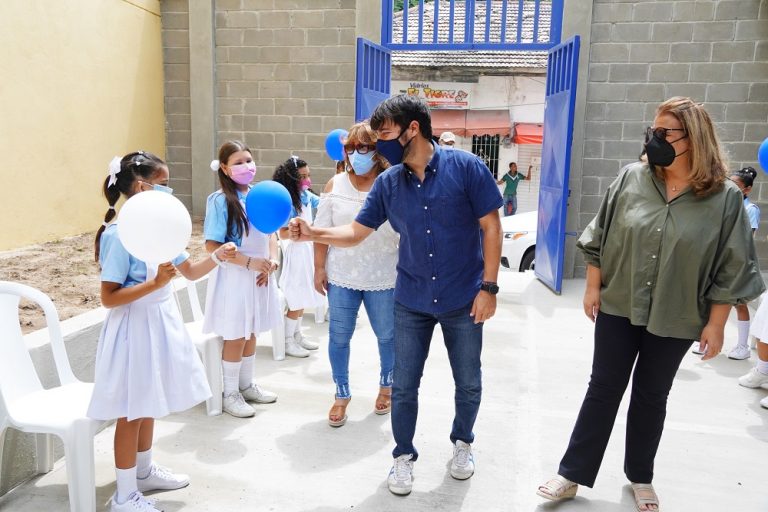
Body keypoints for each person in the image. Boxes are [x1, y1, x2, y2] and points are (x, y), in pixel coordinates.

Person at [535, 97, 765, 512]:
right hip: (620, 302)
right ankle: (571, 473)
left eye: (665, 133)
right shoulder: (631, 178)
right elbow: (598, 235)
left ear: (692, 139)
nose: (653, 139)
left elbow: (732, 267)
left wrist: (716, 324)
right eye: (653, 130)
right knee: (603, 388)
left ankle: (641, 476)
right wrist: (592, 288)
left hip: (677, 312)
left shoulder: (725, 199)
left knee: (651, 394)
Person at [288, 94, 503, 496]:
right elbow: (355, 232)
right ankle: (403, 456)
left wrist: (489, 288)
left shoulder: (467, 168)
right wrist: (312, 233)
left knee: (468, 380)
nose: (379, 143)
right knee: (404, 385)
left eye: (384, 133)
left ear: (412, 129)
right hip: (412, 299)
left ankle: (462, 443)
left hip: (463, 296)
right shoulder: (389, 183)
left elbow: (491, 227)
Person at [89, 151, 238, 512]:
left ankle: (143, 472)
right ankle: (124, 496)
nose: (170, 191)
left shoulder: (161, 228)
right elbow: (109, 298)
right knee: (131, 411)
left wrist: (218, 257)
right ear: (143, 186)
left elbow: (188, 272)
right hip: (132, 329)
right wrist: (155, 283)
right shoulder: (119, 235)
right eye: (165, 184)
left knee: (149, 403)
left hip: (159, 321)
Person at [313, 121, 398, 427]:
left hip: (383, 275)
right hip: (342, 275)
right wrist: (319, 267)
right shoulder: (334, 185)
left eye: (365, 147)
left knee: (388, 337)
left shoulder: (391, 183)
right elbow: (322, 232)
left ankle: (387, 386)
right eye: (351, 147)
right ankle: (341, 393)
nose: (357, 153)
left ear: (378, 151)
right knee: (338, 338)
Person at [203, 140, 281, 418]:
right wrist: (249, 263)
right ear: (224, 168)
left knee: (252, 332)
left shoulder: (261, 195)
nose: (246, 166)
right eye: (238, 162)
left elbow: (271, 233)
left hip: (259, 276)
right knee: (236, 335)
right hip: (234, 277)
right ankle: (230, 393)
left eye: (248, 160)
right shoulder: (220, 201)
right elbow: (212, 246)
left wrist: (271, 261)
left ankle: (247, 385)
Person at [274, 156, 324, 357]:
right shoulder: (287, 202)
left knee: (305, 295)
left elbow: (322, 202)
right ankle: (287, 340)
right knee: (296, 296)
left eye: (308, 175)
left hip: (308, 251)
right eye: (302, 176)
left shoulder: (305, 195)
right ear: (291, 179)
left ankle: (297, 335)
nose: (307, 180)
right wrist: (296, 233)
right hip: (296, 254)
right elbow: (282, 232)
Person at [727, 166, 760, 360]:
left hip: (740, 262)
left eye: (736, 185)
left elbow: (748, 238)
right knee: (714, 300)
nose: (731, 187)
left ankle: (742, 346)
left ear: (747, 189)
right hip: (723, 260)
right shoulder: (726, 205)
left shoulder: (750, 209)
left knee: (739, 304)